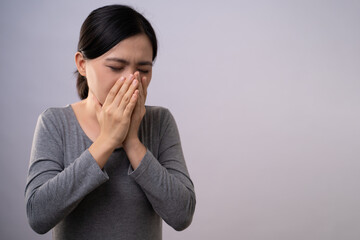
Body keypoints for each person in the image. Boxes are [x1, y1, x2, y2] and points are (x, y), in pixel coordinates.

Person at [25, 5, 196, 239]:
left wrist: (132, 142)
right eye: (116, 67)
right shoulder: (55, 122)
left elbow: (181, 215)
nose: (131, 80)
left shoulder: (160, 121)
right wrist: (106, 141)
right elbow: (37, 215)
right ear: (82, 64)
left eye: (143, 69)